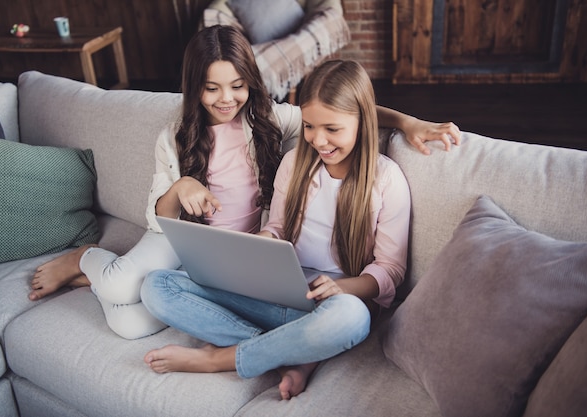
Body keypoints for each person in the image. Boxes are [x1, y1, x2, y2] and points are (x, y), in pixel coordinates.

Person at [29, 25, 460, 341]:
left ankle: (99, 282)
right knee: (126, 285)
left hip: (236, 250)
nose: (225, 99)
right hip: (180, 241)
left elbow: (341, 109)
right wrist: (180, 189)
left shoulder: (267, 119)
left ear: (250, 83)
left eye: (236, 86)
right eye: (211, 88)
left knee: (131, 323)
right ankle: (90, 259)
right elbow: (159, 219)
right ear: (193, 87)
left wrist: (407, 121)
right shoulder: (175, 135)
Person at [140, 59, 411, 401]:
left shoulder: (386, 179)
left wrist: (342, 287)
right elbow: (279, 227)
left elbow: (390, 270)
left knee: (353, 318)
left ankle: (220, 358)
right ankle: (293, 352)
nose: (318, 140)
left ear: (363, 121)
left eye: (332, 129)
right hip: (277, 292)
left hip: (331, 303)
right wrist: (259, 246)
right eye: (310, 126)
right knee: (157, 286)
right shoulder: (295, 163)